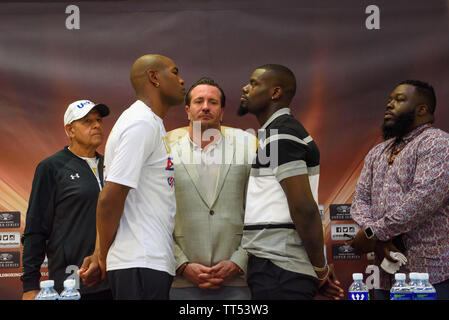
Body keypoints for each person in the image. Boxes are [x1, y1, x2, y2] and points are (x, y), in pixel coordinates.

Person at [79, 54, 185, 300]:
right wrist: (103, 256)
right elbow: (110, 198)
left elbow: (115, 198)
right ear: (154, 77)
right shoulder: (141, 123)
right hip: (140, 262)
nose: (181, 81)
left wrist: (99, 252)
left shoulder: (150, 122)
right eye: (175, 72)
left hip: (146, 261)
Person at [238, 64, 344, 300]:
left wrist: (320, 269)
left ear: (275, 93)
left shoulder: (282, 133)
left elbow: (303, 208)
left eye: (254, 83)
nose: (245, 88)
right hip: (279, 266)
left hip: (280, 268)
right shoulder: (276, 132)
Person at [350, 80, 449, 300]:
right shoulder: (378, 151)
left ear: (422, 109)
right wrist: (378, 239)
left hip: (428, 277)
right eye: (389, 100)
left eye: (399, 100)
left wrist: (373, 234)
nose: (390, 105)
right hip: (386, 276)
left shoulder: (437, 143)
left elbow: (423, 199)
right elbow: (360, 201)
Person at [169, 77, 255, 300]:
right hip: (181, 281)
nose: (205, 107)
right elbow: (155, 216)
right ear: (187, 110)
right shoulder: (166, 155)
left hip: (236, 279)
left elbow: (260, 212)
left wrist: (239, 261)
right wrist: (182, 264)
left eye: (213, 102)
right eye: (199, 101)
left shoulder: (247, 152)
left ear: (223, 111)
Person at [21, 99, 112, 300]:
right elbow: (35, 229)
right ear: (70, 130)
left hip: (114, 278)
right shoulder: (51, 168)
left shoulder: (112, 165)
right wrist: (29, 286)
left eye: (98, 120)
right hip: (72, 283)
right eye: (87, 121)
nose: (97, 125)